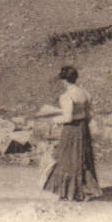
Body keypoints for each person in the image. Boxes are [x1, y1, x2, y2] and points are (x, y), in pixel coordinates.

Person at [36, 65, 101, 201]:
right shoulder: (85, 93)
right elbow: (88, 115)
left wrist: (52, 120)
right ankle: (86, 189)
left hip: (71, 130)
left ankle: (71, 192)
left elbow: (68, 118)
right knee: (82, 158)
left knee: (68, 159)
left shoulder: (66, 96)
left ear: (64, 81)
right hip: (83, 129)